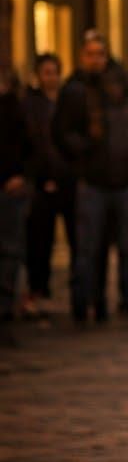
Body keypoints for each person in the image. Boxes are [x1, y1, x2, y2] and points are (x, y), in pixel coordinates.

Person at [52, 30, 128, 322]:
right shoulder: (74, 90)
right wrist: (83, 153)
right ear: (82, 56)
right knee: (89, 248)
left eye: (100, 54)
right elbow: (62, 133)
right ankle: (86, 302)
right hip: (92, 180)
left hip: (125, 178)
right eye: (90, 54)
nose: (95, 60)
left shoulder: (122, 86)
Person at [22, 53, 75, 317]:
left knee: (78, 238)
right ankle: (38, 289)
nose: (50, 77)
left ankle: (78, 289)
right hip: (42, 181)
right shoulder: (30, 104)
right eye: (46, 72)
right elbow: (33, 143)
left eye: (54, 71)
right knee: (39, 240)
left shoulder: (68, 101)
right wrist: (42, 175)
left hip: (69, 179)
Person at [0, 68, 30, 323]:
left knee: (10, 251)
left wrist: (21, 175)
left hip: (11, 187)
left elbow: (30, 146)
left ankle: (7, 305)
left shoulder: (16, 109)